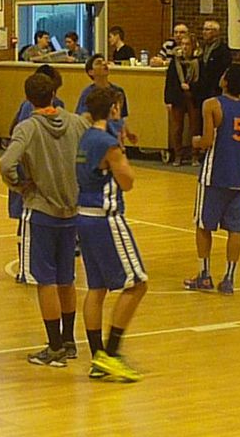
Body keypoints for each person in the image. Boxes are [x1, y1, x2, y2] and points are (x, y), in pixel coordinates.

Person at [0, 73, 89, 368]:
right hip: (72, 211)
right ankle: (70, 341)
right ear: (54, 94)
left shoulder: (27, 128)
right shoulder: (76, 122)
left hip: (42, 210)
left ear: (27, 99)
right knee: (67, 278)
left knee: (45, 280)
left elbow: (6, 163)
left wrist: (19, 185)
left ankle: (53, 346)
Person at [75, 86, 148, 382]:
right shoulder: (107, 143)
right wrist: (123, 155)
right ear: (114, 109)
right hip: (106, 218)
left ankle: (97, 358)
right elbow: (127, 181)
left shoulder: (85, 137)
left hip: (83, 216)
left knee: (97, 289)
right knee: (137, 283)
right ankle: (112, 353)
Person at [184, 64, 240, 295]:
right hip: (239, 177)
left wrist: (194, 142)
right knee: (235, 229)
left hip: (214, 176)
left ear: (225, 81)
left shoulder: (212, 104)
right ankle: (229, 279)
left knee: (203, 225)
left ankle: (204, 275)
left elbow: (206, 141)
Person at [8, 65, 65, 285]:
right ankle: (29, 267)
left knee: (29, 224)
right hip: (36, 175)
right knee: (33, 223)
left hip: (29, 175)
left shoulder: (27, 107)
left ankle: (28, 267)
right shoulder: (56, 112)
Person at [75, 55, 138, 145]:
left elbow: (120, 117)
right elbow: (82, 118)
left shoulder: (118, 91)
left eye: (104, 61)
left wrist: (128, 133)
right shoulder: (87, 94)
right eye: (99, 63)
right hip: (98, 139)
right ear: (91, 72)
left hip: (116, 139)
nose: (104, 64)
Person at [164, 35, 202, 167]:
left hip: (193, 96)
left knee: (194, 127)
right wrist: (168, 100)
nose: (185, 47)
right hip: (178, 97)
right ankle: (178, 155)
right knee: (177, 127)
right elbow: (170, 81)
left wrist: (191, 87)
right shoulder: (175, 62)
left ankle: (195, 155)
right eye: (183, 44)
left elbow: (203, 82)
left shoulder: (198, 62)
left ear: (193, 46)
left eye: (187, 45)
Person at [194, 20, 232, 104]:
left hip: (215, 91)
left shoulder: (223, 50)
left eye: (207, 30)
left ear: (216, 32)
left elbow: (223, 71)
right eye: (203, 29)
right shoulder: (202, 48)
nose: (204, 32)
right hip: (201, 91)